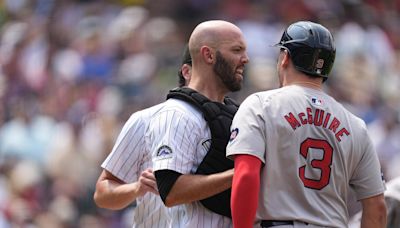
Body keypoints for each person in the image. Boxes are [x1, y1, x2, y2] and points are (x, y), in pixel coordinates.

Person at [226, 21, 387, 228]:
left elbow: (246, 175)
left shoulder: (260, 105)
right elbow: (377, 206)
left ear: (285, 57)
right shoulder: (355, 124)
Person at [148, 20, 249, 228]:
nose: (245, 59)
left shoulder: (237, 114)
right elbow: (172, 190)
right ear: (209, 55)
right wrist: (241, 173)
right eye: (237, 50)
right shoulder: (178, 114)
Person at [93, 46, 192, 228]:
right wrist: (137, 189)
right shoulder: (145, 120)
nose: (244, 59)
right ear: (187, 72)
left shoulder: (232, 123)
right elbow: (102, 193)